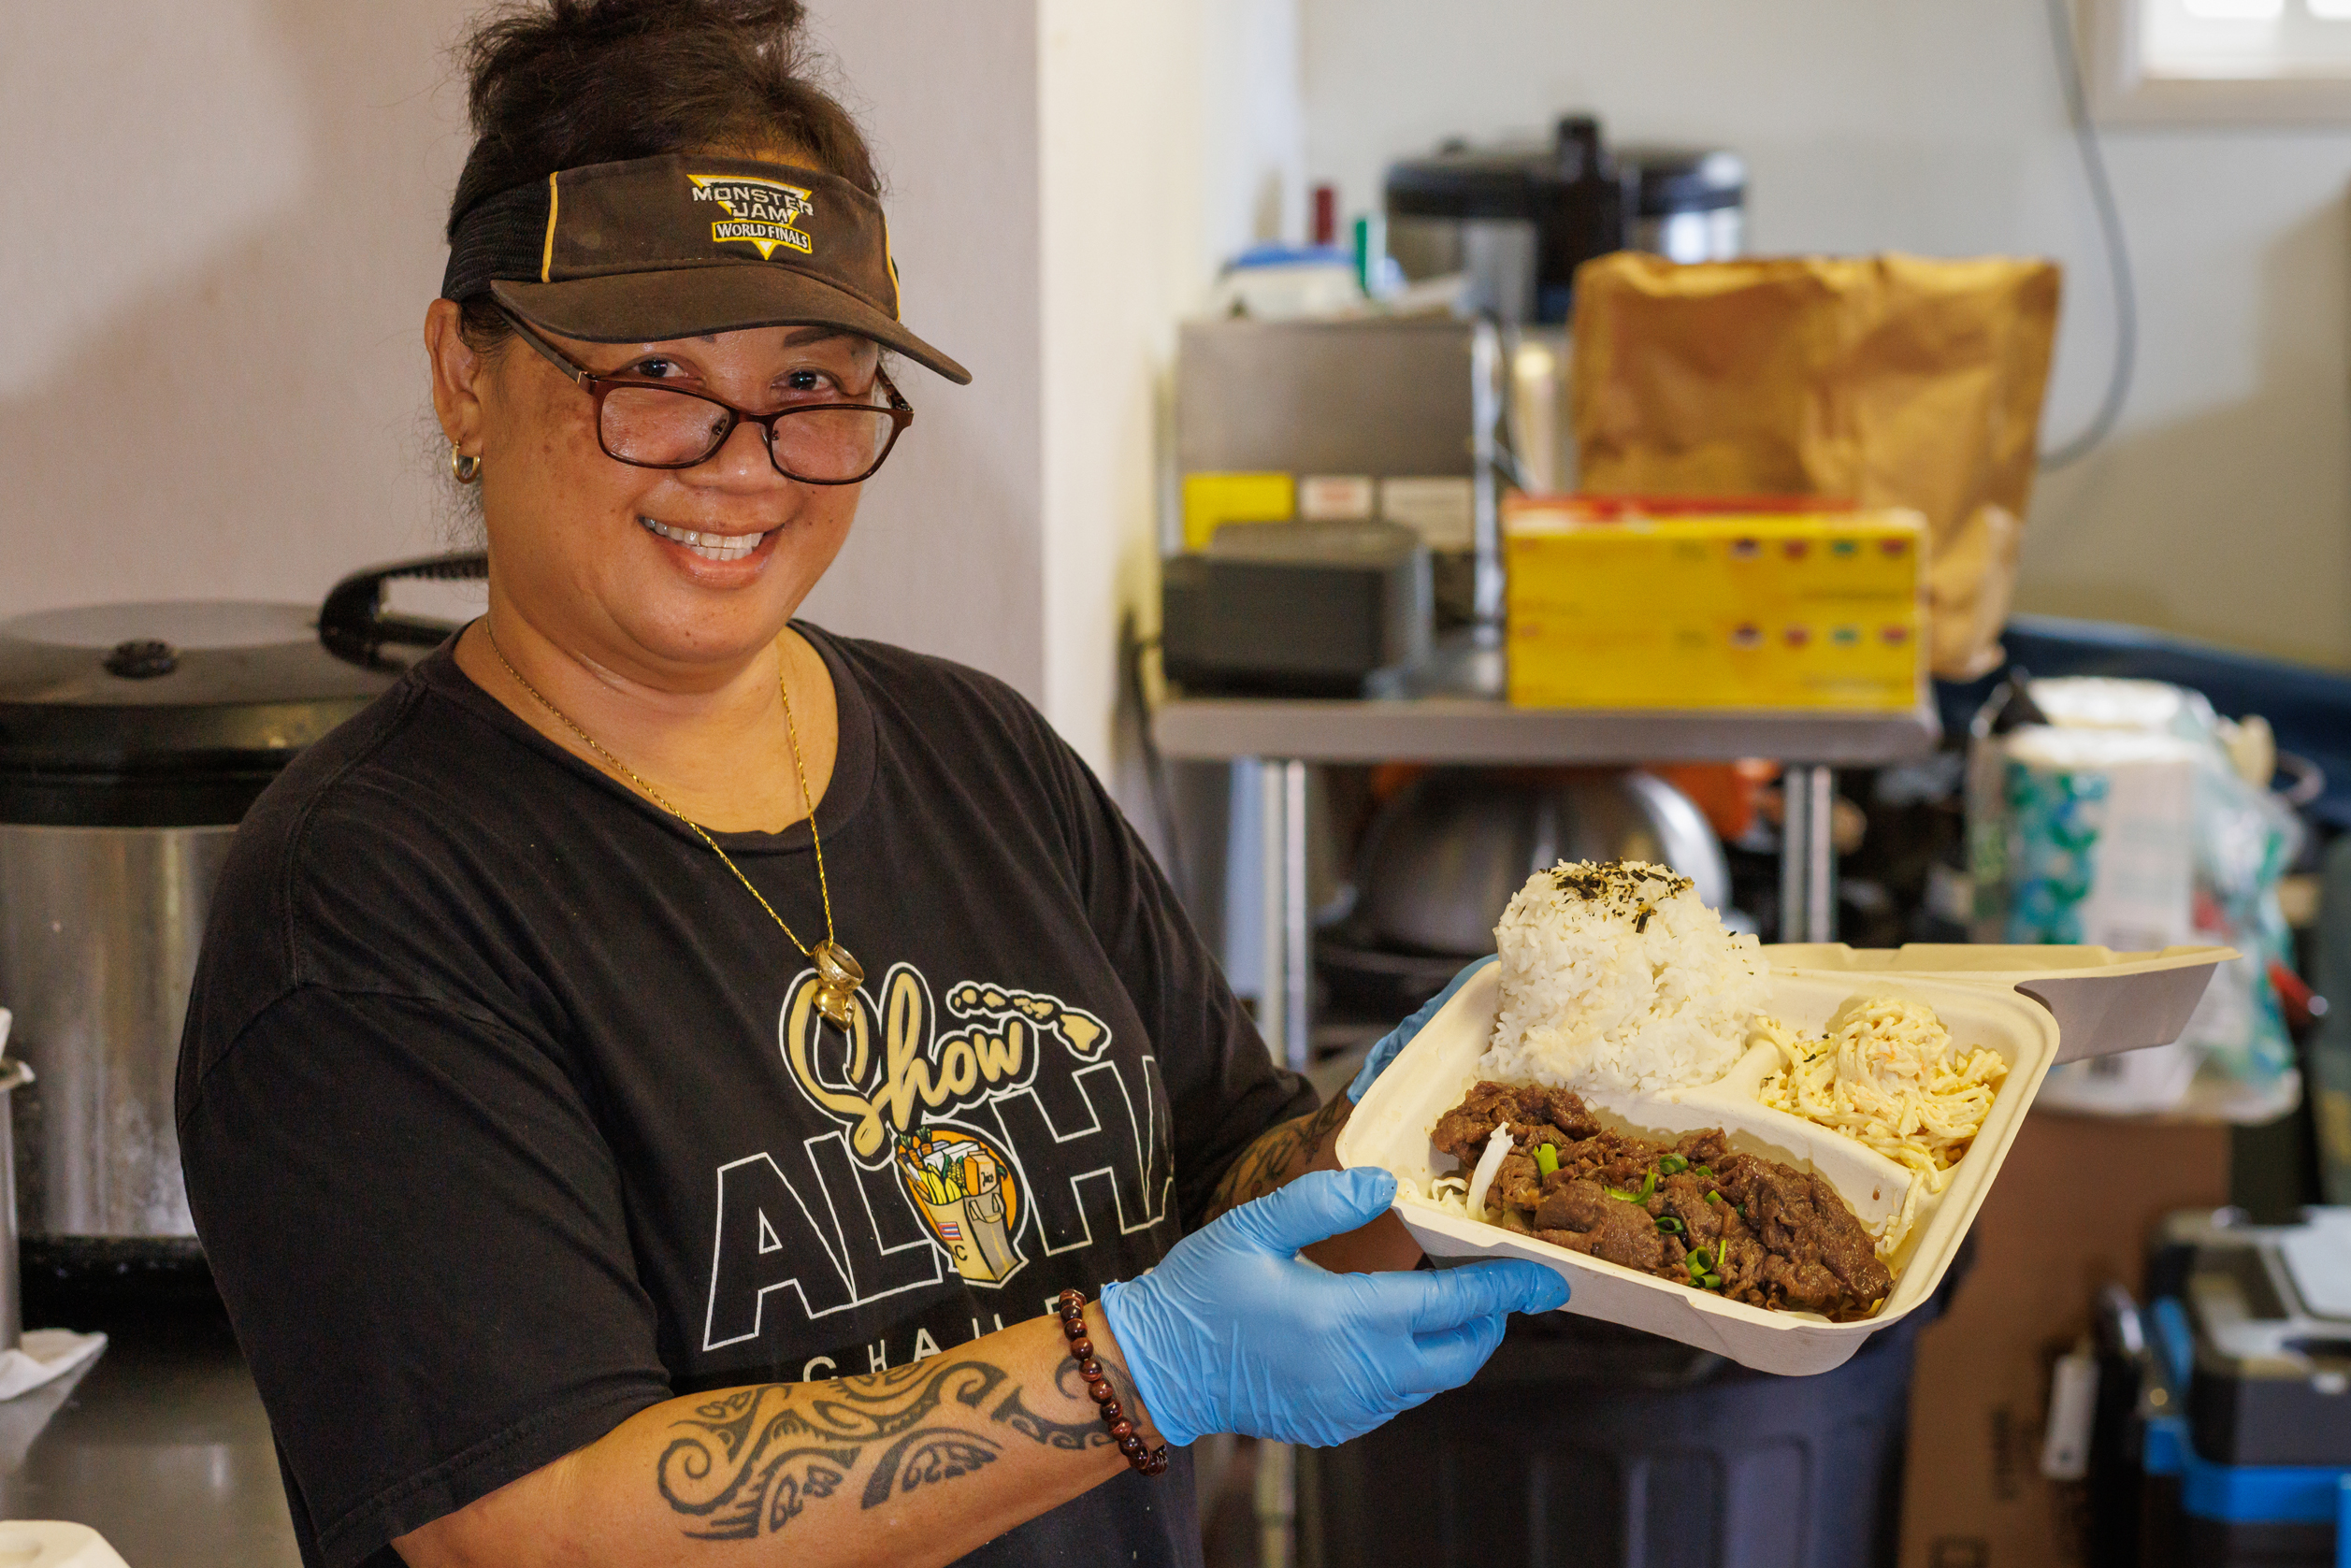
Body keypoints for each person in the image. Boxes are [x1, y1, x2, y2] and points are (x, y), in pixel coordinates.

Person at [173, 4, 1565, 1566]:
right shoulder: (363, 905)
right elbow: (537, 1526)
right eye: (651, 372)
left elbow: (1223, 1170)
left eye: (816, 382)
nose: (745, 458)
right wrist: (1135, 1371)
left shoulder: (978, 748)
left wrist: (1444, 1134)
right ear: (463, 374)